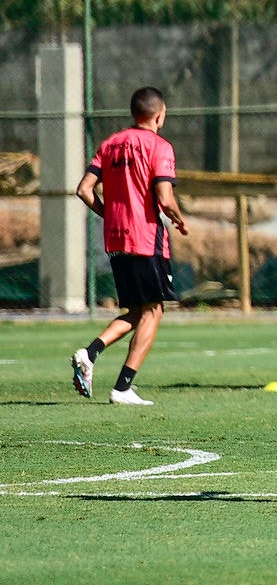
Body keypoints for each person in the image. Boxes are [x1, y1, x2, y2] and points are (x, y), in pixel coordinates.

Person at [70, 87, 189, 406]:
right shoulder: (160, 147)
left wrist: (110, 214)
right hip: (146, 238)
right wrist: (180, 219)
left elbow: (84, 190)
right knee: (154, 310)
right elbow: (164, 198)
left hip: (116, 238)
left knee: (138, 311)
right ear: (160, 114)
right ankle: (123, 387)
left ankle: (90, 352)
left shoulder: (110, 144)